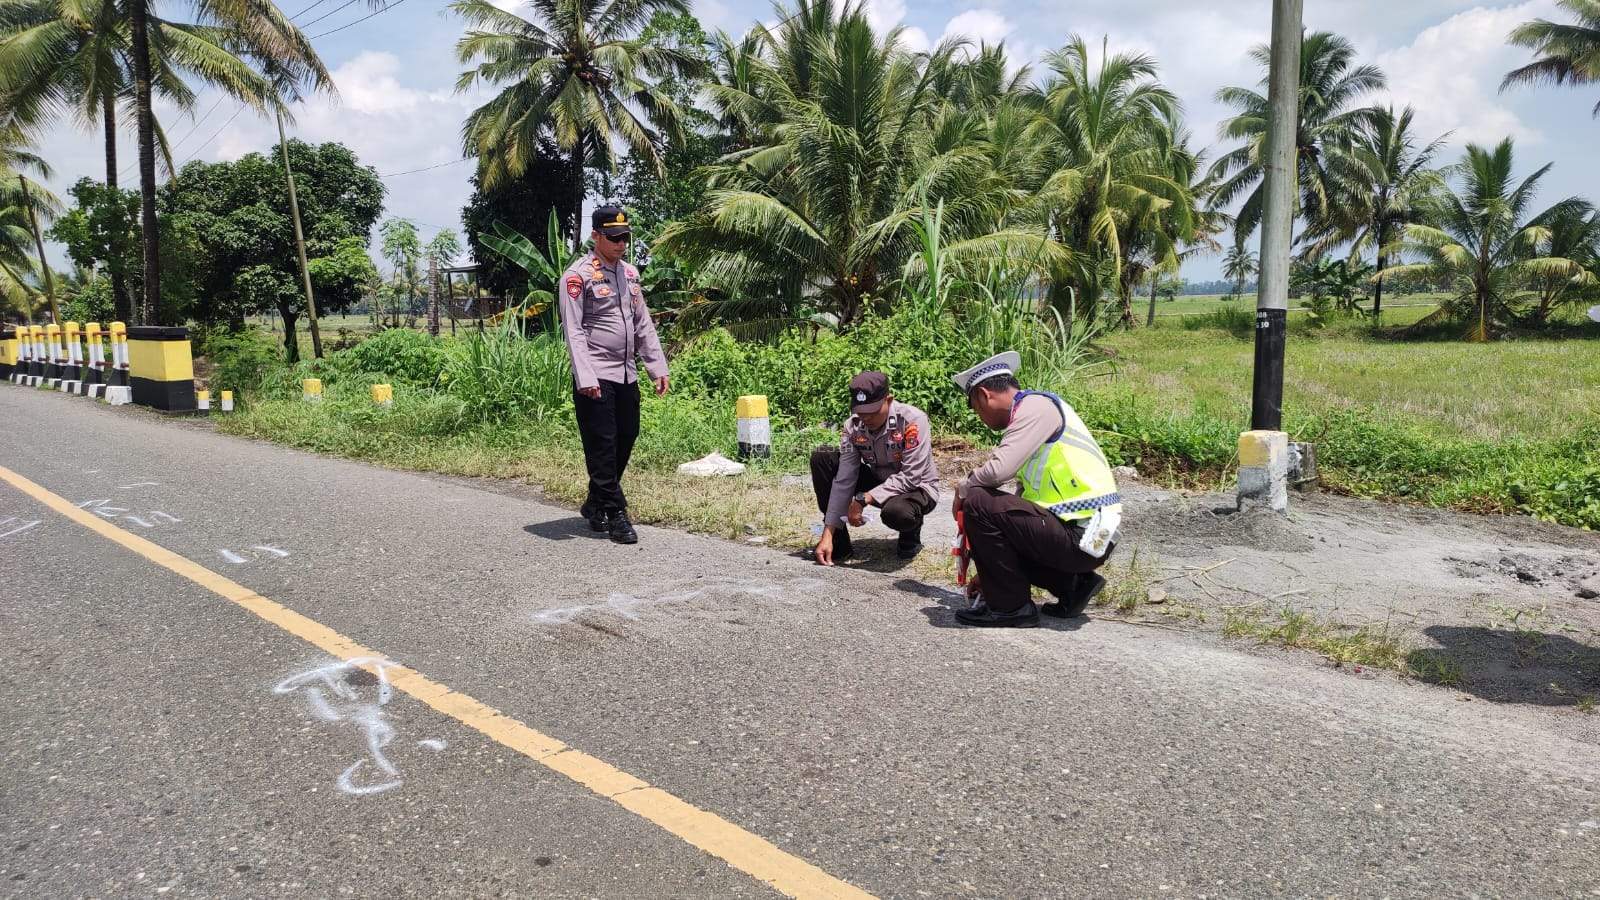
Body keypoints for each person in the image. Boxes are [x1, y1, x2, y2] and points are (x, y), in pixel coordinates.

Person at [948, 351, 1121, 628]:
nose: (980, 417)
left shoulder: (1035, 408)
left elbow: (997, 471)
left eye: (975, 408)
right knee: (997, 515)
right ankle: (1073, 585)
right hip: (1091, 534)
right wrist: (992, 573)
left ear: (983, 395)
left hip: (1083, 535)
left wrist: (963, 488)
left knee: (978, 500)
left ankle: (1010, 608)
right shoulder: (1039, 411)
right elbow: (1018, 512)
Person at [558, 206, 669, 545]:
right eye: (614, 237)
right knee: (603, 445)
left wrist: (657, 367)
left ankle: (595, 503)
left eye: (625, 237)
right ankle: (616, 512)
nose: (622, 243)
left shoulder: (630, 275)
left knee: (626, 437)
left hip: (626, 373)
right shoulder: (578, 277)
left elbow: (642, 324)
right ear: (596, 236)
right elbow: (574, 331)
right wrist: (585, 376)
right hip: (596, 374)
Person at [811, 371, 940, 565]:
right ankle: (837, 542)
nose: (866, 418)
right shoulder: (852, 426)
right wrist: (827, 532)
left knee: (897, 513)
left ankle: (910, 531)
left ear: (888, 400)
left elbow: (911, 476)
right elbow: (844, 478)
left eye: (872, 411)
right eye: (861, 412)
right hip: (879, 481)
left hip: (916, 489)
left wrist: (864, 499)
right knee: (823, 457)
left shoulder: (913, 420)